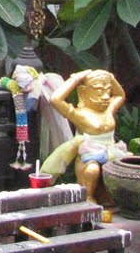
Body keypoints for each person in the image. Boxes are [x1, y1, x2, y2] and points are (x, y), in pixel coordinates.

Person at [42, 69, 130, 205]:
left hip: (112, 152)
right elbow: (55, 100)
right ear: (83, 93)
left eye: (107, 91)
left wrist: (111, 78)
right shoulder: (80, 114)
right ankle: (88, 198)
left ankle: (116, 198)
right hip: (89, 156)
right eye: (99, 92)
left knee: (129, 165)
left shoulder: (108, 110)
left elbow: (119, 96)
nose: (106, 97)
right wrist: (75, 79)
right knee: (92, 170)